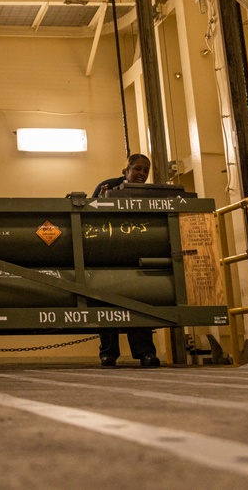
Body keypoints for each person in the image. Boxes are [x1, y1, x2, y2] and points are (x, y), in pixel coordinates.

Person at [92, 153, 161, 367]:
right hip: (109, 253)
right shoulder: (107, 186)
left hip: (137, 253)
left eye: (145, 171)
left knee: (139, 302)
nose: (141, 174)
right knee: (106, 301)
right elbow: (90, 215)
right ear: (126, 170)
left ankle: (145, 353)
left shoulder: (152, 193)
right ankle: (108, 353)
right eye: (137, 169)